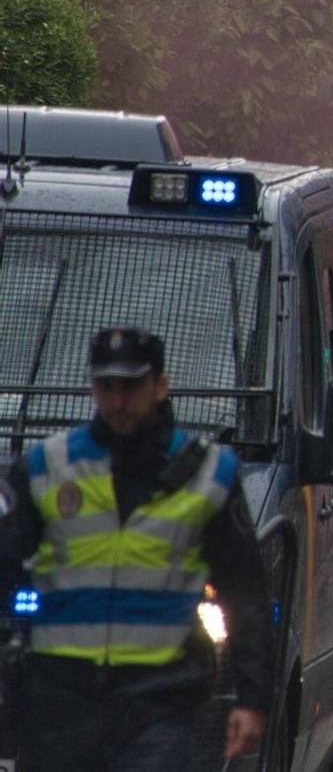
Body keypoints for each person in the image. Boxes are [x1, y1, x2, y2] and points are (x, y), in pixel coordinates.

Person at [0, 329, 274, 771]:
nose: (118, 402)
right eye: (106, 388)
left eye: (130, 387)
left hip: (157, 701)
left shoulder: (208, 474)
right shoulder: (47, 466)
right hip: (60, 701)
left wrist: (254, 697)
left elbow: (244, 592)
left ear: (160, 386)